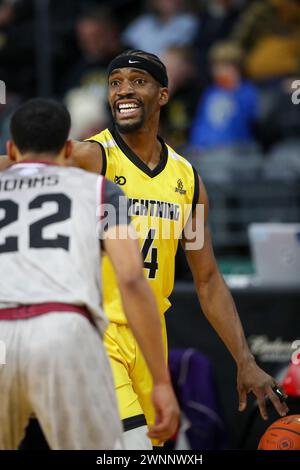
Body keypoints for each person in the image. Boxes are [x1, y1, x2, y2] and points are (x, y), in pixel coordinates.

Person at [0, 50, 289, 450]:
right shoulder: (91, 157)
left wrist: (245, 359)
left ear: (163, 95)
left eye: (137, 81)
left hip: (148, 339)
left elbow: (206, 280)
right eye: (115, 82)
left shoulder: (187, 179)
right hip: (96, 333)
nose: (123, 90)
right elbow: (20, 164)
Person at [0, 98, 179, 450]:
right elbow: (130, 278)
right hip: (64, 332)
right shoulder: (100, 190)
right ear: (69, 149)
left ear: (11, 149)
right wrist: (161, 380)